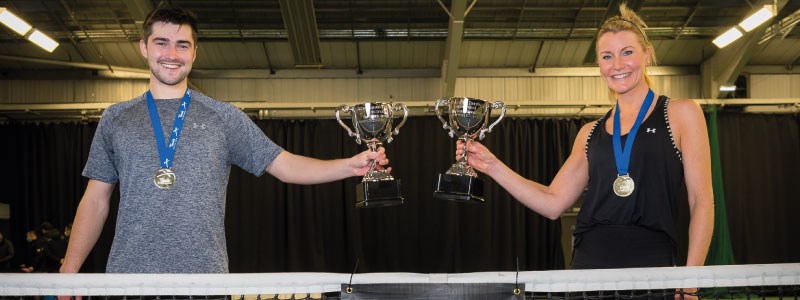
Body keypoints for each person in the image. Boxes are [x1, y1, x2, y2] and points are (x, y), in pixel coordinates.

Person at [60, 5, 388, 274]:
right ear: (144, 47)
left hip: (205, 281)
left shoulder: (222, 117)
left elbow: (283, 164)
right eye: (161, 42)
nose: (171, 53)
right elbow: (95, 201)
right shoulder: (116, 118)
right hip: (128, 281)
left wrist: (349, 166)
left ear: (195, 52)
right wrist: (69, 272)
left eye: (182, 45)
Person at [457, 4, 713, 271]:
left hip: (653, 265)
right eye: (607, 56)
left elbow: (702, 201)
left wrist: (690, 278)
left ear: (647, 55)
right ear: (599, 65)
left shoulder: (681, 113)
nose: (618, 65)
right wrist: (492, 165)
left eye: (627, 52)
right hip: (590, 268)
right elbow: (552, 201)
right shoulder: (590, 133)